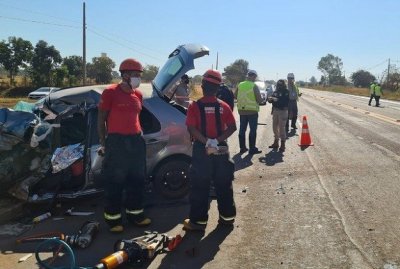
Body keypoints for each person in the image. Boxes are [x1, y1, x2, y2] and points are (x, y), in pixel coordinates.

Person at [97, 58, 151, 233]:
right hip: (116, 142)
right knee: (115, 182)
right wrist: (104, 143)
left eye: (139, 75)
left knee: (137, 180)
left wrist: (140, 135)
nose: (138, 79)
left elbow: (136, 117)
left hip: (135, 142)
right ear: (125, 75)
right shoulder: (110, 92)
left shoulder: (138, 95)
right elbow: (101, 120)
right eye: (135, 75)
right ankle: (113, 220)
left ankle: (136, 215)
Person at [183, 69, 237, 231]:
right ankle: (227, 219)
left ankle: (198, 223)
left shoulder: (194, 106)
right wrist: (216, 141)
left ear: (203, 85)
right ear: (218, 88)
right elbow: (233, 127)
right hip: (220, 149)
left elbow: (192, 128)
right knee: (223, 184)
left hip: (202, 150)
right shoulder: (224, 106)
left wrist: (207, 142)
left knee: (200, 186)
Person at [235, 69, 263, 154]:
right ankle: (252, 149)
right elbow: (259, 100)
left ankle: (242, 148)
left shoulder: (240, 85)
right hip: (252, 112)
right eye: (255, 77)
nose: (255, 78)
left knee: (242, 129)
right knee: (253, 130)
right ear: (253, 76)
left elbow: (235, 96)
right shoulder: (254, 86)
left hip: (242, 111)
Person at [268, 79, 290, 152]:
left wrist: (277, 100)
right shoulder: (275, 92)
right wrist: (270, 99)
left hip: (283, 111)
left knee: (281, 128)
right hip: (275, 110)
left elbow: (285, 101)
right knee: (274, 127)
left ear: (284, 85)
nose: (279, 86)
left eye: (281, 84)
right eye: (278, 84)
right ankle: (276, 142)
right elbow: (271, 100)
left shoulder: (286, 92)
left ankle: (283, 144)